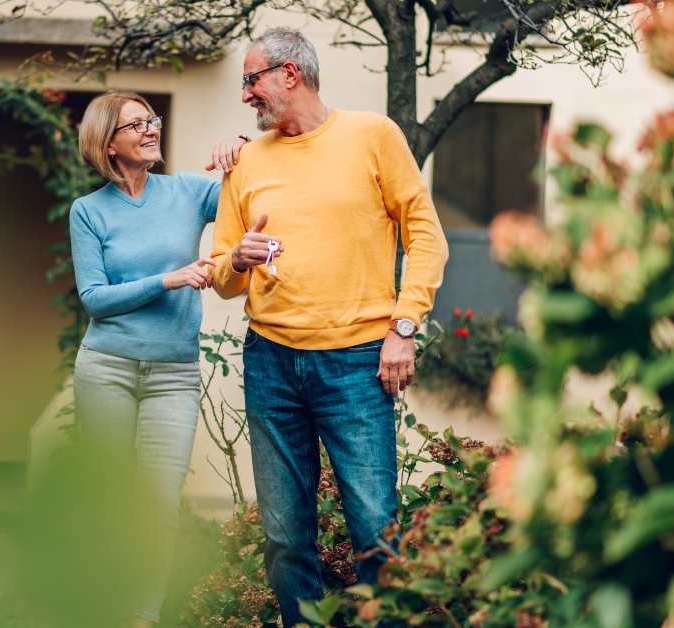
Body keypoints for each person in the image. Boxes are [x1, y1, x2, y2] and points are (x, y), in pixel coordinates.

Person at [209, 28, 450, 626]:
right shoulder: (246, 161)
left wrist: (404, 327)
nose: (245, 95)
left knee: (374, 530)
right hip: (270, 362)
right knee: (285, 535)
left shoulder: (373, 136)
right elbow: (223, 276)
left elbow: (426, 235)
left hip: (356, 363)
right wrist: (236, 259)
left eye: (252, 80)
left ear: (290, 74)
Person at [69, 91, 245, 628]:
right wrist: (168, 280)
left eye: (153, 120)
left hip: (173, 375)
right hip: (107, 368)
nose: (151, 129)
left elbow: (251, 192)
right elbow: (94, 299)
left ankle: (140, 619)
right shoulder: (88, 211)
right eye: (136, 124)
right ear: (108, 144)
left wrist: (243, 147)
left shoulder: (187, 192)